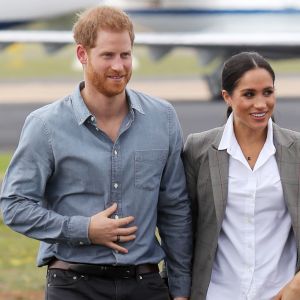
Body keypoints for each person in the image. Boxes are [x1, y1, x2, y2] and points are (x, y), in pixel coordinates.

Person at [0, 6, 192, 300]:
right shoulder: (45, 125)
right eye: (108, 55)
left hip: (145, 284)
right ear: (82, 55)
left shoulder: (163, 118)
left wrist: (180, 289)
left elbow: (175, 209)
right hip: (73, 284)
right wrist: (85, 229)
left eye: (125, 55)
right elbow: (14, 206)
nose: (119, 66)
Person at [183, 51, 300, 300]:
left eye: (268, 92)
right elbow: (182, 229)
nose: (261, 104)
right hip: (218, 293)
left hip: (281, 293)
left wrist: (297, 284)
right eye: (249, 94)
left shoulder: (297, 149)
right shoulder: (198, 149)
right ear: (227, 96)